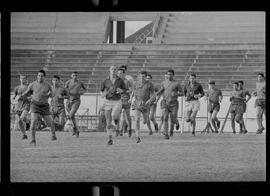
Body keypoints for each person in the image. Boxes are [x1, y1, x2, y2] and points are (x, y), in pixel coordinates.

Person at [21, 70, 57, 145]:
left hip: (44, 106)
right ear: (37, 76)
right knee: (33, 121)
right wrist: (24, 96)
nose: (40, 77)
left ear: (44, 77)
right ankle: (33, 139)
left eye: (42, 76)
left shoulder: (47, 85)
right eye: (39, 75)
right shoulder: (32, 84)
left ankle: (53, 135)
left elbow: (53, 95)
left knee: (50, 123)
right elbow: (26, 92)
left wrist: (50, 94)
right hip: (35, 105)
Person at [100, 65, 126, 145]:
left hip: (117, 101)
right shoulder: (105, 80)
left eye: (115, 69)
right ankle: (110, 139)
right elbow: (101, 91)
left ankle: (116, 119)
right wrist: (103, 94)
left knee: (114, 115)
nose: (113, 70)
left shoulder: (120, 80)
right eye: (112, 69)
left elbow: (124, 90)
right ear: (109, 70)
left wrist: (121, 90)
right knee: (108, 122)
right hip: (107, 101)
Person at [156, 70, 183, 139]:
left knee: (173, 118)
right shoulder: (163, 83)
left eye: (171, 74)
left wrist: (176, 94)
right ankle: (166, 134)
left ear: (173, 75)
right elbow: (161, 90)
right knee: (165, 118)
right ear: (166, 75)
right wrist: (157, 93)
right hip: (165, 102)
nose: (169, 76)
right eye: (168, 74)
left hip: (174, 103)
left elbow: (182, 93)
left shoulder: (177, 83)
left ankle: (176, 123)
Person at [129, 71, 155, 143]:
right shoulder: (135, 83)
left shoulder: (150, 84)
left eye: (143, 76)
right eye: (140, 76)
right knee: (136, 120)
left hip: (146, 104)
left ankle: (149, 128)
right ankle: (137, 137)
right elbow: (133, 92)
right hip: (137, 103)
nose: (141, 78)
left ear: (146, 77)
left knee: (146, 120)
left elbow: (153, 94)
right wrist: (130, 98)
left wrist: (150, 100)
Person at [65, 71, 87, 138]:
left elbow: (85, 89)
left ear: (77, 76)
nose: (75, 76)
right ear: (71, 76)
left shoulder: (80, 83)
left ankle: (74, 128)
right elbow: (64, 89)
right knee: (72, 117)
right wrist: (67, 93)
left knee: (70, 115)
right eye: (73, 75)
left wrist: (81, 92)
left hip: (76, 101)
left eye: (76, 75)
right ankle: (76, 129)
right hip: (69, 100)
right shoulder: (68, 82)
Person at [12, 75, 31, 139]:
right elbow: (14, 97)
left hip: (26, 105)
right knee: (19, 121)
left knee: (22, 118)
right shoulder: (17, 88)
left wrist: (29, 98)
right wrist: (15, 99)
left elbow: (32, 96)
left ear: (26, 80)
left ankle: (27, 122)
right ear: (19, 79)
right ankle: (24, 134)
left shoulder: (29, 87)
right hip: (18, 106)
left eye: (24, 78)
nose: (22, 79)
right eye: (21, 78)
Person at [117, 68, 133, 137]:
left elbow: (131, 90)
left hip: (126, 99)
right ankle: (119, 130)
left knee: (127, 116)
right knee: (118, 116)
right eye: (118, 73)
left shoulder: (127, 81)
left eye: (120, 73)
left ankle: (129, 129)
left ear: (124, 74)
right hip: (118, 100)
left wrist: (123, 91)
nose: (119, 74)